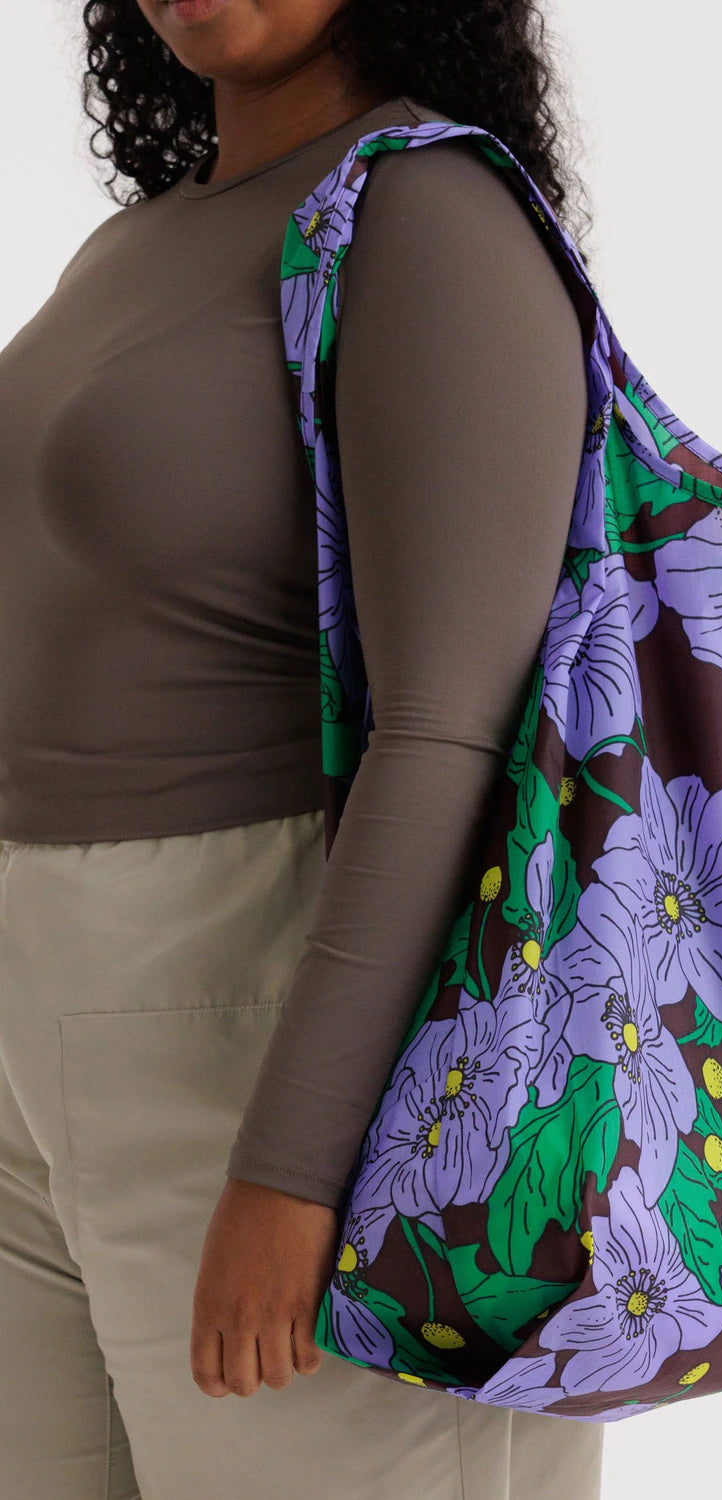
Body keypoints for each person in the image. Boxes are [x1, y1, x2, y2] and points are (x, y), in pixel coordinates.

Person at [0, 1, 602, 1495]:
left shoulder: (429, 212)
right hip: (36, 1017)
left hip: (265, 1024)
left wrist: (298, 1164)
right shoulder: (137, 246)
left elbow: (449, 728)